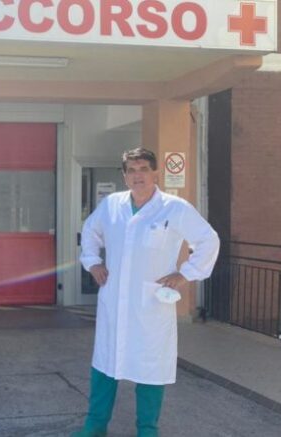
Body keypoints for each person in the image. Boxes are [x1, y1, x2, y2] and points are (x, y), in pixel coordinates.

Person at [72, 148, 220, 437]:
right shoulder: (111, 205)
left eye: (143, 169)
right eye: (131, 170)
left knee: (151, 368)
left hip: (151, 305)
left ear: (155, 173)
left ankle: (148, 430)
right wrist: (93, 262)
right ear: (124, 175)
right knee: (105, 363)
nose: (137, 175)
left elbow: (208, 240)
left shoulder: (174, 208)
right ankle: (95, 427)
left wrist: (185, 274)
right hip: (114, 301)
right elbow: (90, 232)